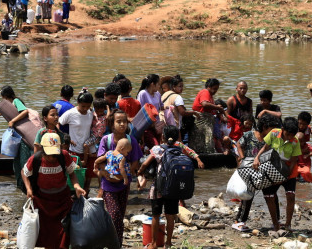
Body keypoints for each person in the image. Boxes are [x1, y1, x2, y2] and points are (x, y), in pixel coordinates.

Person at [138, 127, 204, 246]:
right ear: (178, 137)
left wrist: (139, 172)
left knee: (156, 215)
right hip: (174, 188)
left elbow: (145, 163)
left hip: (158, 188)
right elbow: (191, 152)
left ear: (163, 136)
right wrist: (198, 159)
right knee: (170, 216)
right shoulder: (180, 147)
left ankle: (153, 244)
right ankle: (168, 243)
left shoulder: (158, 148)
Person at [22, 133, 85, 249]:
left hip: (62, 198)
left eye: (55, 155)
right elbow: (24, 172)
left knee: (64, 229)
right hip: (43, 200)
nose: (52, 158)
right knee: (47, 231)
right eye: (49, 155)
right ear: (42, 150)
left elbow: (72, 173)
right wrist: (29, 189)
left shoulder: (64, 156)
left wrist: (76, 186)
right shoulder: (35, 159)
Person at [96, 110, 143, 240]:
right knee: (114, 213)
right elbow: (100, 160)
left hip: (124, 183)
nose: (122, 124)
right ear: (112, 124)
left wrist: (124, 175)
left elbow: (135, 161)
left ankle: (118, 242)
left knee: (120, 214)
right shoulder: (106, 140)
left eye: (125, 122)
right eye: (119, 121)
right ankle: (112, 241)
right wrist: (106, 173)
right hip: (108, 183)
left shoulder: (131, 140)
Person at [253, 117, 302, 235]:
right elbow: (265, 147)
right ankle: (275, 224)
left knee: (290, 196)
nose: (290, 137)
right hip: (271, 168)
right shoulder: (274, 133)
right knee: (269, 196)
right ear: (283, 129)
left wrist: (285, 176)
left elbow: (294, 160)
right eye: (288, 134)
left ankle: (288, 224)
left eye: (292, 135)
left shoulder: (295, 141)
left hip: (289, 170)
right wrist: (257, 158)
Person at [233, 115, 274, 232]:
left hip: (265, 169)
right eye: (270, 128)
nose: (272, 131)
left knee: (270, 195)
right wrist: (241, 158)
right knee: (247, 196)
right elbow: (239, 144)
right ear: (264, 127)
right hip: (249, 169)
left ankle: (276, 221)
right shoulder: (249, 135)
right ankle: (239, 221)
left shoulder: (270, 138)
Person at [58, 92, 94, 190]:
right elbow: (58, 123)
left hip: (87, 149)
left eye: (88, 106)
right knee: (74, 174)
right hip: (74, 149)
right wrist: (66, 139)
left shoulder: (91, 113)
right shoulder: (71, 113)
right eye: (83, 106)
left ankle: (85, 195)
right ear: (78, 102)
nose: (85, 109)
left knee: (88, 174)